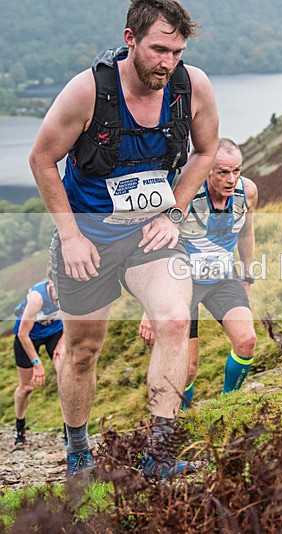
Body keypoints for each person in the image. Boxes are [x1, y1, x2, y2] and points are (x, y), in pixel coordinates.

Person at [28, 0, 219, 479]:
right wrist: (69, 236)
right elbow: (40, 159)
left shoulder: (191, 87)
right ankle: (78, 452)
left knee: (175, 321)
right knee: (85, 350)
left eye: (176, 51)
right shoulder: (88, 92)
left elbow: (207, 149)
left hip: (150, 236)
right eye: (158, 49)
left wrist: (175, 209)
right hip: (88, 241)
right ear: (130, 39)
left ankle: (158, 455)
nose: (167, 62)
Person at [139, 138, 258, 406]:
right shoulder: (185, 195)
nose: (231, 179)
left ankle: (229, 404)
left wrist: (247, 277)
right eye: (223, 172)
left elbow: (246, 233)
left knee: (247, 340)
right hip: (183, 284)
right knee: (188, 367)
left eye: (236, 171)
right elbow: (155, 248)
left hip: (223, 279)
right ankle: (184, 420)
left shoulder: (247, 192)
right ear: (206, 170)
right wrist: (149, 308)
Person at [11, 274, 65, 450]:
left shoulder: (72, 293)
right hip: (29, 336)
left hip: (55, 332)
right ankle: (20, 430)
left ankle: (70, 432)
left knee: (66, 379)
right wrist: (37, 364)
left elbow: (73, 319)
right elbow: (22, 334)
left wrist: (62, 343)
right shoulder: (37, 298)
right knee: (26, 388)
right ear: (51, 283)